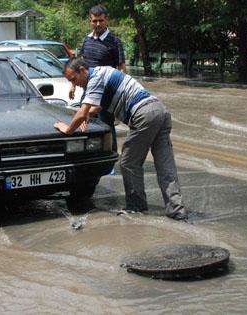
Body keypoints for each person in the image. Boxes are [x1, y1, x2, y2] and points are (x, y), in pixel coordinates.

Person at [54, 58, 188, 221]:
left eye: (74, 79)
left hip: (144, 114)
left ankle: (136, 207)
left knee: (128, 162)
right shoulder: (101, 73)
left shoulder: (95, 78)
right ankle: (177, 211)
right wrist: (87, 113)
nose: (75, 84)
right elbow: (97, 107)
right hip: (160, 111)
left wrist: (67, 129)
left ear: (83, 70)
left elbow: (82, 112)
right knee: (165, 165)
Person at [69, 4, 126, 152]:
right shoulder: (87, 40)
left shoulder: (114, 42)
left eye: (101, 20)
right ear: (90, 21)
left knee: (106, 125)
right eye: (95, 21)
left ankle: (110, 156)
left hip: (106, 92)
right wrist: (73, 85)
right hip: (88, 90)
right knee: (84, 122)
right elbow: (79, 65)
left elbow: (121, 68)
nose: (98, 24)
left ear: (106, 20)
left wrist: (119, 92)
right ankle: (89, 155)